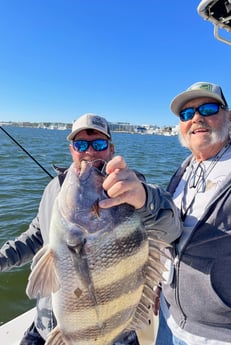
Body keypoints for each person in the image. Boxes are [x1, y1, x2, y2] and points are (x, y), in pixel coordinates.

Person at [0, 113, 181, 345]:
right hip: (49, 324)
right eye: (81, 144)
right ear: (71, 149)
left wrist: (145, 197)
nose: (89, 152)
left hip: (115, 331)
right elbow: (37, 236)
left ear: (111, 149)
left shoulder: (131, 191)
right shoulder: (54, 189)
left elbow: (170, 227)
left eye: (98, 144)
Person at [155, 81, 231, 345]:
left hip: (226, 335)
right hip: (170, 320)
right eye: (186, 115)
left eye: (208, 108)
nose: (197, 118)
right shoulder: (185, 170)